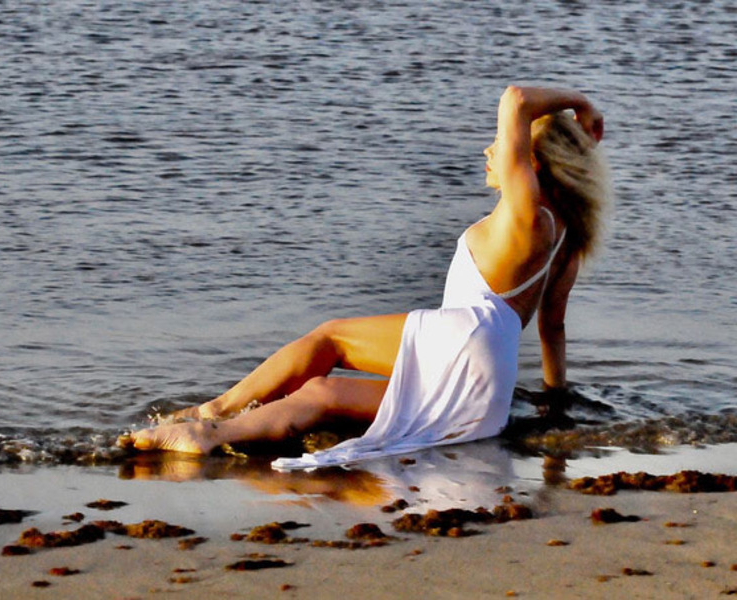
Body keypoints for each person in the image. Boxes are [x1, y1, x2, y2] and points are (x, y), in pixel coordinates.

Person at [128, 86, 610, 468]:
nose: (490, 148)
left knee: (330, 338)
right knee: (323, 394)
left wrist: (580, 103)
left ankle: (210, 413)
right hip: (491, 390)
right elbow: (552, 327)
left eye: (502, 144)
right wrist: (555, 406)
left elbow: (516, 99)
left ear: (531, 165)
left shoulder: (524, 216)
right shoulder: (567, 235)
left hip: (465, 337)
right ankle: (210, 437)